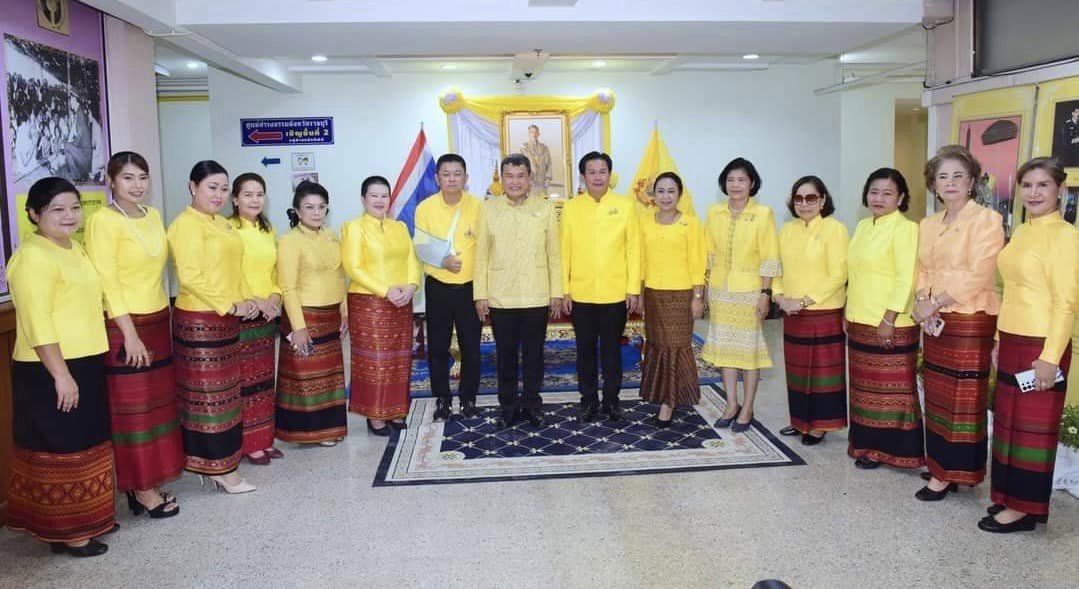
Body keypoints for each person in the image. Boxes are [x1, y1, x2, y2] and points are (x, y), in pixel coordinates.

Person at [6, 177, 115, 557]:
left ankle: (82, 521)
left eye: (74, 208)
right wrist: (61, 375)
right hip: (50, 367)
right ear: (34, 214)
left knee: (84, 442)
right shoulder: (32, 258)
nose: (69, 216)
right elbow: (39, 323)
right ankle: (70, 533)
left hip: (84, 359)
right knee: (61, 448)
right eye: (57, 209)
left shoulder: (74, 248)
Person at [981, 157, 1078, 533]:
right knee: (1007, 425)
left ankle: (1025, 508)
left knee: (1032, 432)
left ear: (1060, 191)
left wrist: (1050, 358)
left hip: (1042, 345)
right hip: (1012, 339)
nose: (1034, 193)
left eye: (1043, 185)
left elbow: (1066, 302)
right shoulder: (1022, 232)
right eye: (1027, 185)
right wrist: (998, 338)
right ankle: (1007, 496)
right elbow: (1011, 289)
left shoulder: (1066, 237)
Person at [85, 151, 182, 518]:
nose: (137, 185)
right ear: (111, 181)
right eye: (127, 178)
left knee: (158, 410)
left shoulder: (152, 215)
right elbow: (108, 281)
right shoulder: (102, 221)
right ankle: (140, 488)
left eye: (142, 177)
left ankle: (150, 480)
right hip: (125, 327)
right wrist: (129, 335)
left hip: (157, 318)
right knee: (135, 413)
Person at [912, 145, 1004, 501]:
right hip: (934, 318)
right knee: (936, 394)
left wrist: (934, 302)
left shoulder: (986, 220)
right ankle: (940, 464)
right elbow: (922, 268)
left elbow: (978, 274)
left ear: (971, 183)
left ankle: (956, 471)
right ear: (933, 184)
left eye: (958, 176)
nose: (949, 183)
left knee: (964, 398)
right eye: (942, 176)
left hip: (969, 317)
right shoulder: (929, 223)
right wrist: (922, 300)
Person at [168, 160, 257, 494]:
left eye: (223, 188)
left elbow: (234, 268)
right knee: (208, 397)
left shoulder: (221, 224)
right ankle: (217, 467)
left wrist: (244, 299)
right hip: (200, 320)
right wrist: (228, 304)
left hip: (226, 320)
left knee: (227, 395)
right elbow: (191, 276)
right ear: (193, 187)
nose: (219, 195)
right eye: (211, 187)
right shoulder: (185, 225)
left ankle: (225, 462)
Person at [474, 154, 562, 427]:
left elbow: (554, 255)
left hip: (536, 293)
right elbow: (481, 255)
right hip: (501, 296)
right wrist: (480, 294)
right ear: (501, 179)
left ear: (530, 179)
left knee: (535, 355)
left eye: (520, 176)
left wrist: (556, 292)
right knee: (506, 357)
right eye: (509, 176)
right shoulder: (488, 208)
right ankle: (508, 407)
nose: (515, 182)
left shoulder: (545, 208)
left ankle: (533, 405)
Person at [845, 168, 923, 470]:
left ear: (901, 197)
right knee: (864, 390)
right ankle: (866, 446)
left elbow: (906, 277)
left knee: (894, 391)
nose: (879, 198)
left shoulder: (905, 229)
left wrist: (889, 317)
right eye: (874, 191)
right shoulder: (863, 226)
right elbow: (854, 273)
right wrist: (847, 312)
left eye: (887, 193)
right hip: (859, 319)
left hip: (891, 321)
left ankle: (895, 451)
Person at [561, 151, 641, 422]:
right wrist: (565, 289)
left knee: (611, 350)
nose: (597, 176)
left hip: (615, 292)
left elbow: (634, 249)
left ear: (610, 175)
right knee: (584, 351)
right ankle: (588, 400)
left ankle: (611, 400)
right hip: (581, 293)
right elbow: (564, 251)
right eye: (592, 172)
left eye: (602, 171)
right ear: (583, 176)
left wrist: (633, 289)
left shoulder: (626, 206)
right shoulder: (572, 207)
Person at [702, 157, 780, 433]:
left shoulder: (763, 213)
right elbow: (708, 253)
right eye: (731, 179)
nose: (735, 185)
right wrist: (705, 288)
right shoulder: (714, 212)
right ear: (724, 183)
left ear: (752, 184)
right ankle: (731, 404)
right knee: (725, 351)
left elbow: (770, 255)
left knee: (748, 353)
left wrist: (765, 293)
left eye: (742, 180)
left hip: (749, 291)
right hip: (721, 290)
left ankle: (747, 407)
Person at [772, 176, 849, 446]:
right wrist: (779, 297)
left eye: (811, 198)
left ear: (823, 200)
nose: (804, 204)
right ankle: (800, 420)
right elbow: (777, 267)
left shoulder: (834, 229)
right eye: (799, 199)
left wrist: (804, 301)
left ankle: (819, 426)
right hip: (792, 312)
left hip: (822, 311)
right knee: (797, 371)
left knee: (821, 374)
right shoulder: (788, 229)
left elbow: (838, 274)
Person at [342, 175, 420, 435]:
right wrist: (386, 291)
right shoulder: (354, 227)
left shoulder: (399, 227)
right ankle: (374, 415)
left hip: (401, 302)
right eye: (373, 195)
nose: (379, 200)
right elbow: (353, 267)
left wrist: (410, 286)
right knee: (374, 361)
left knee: (399, 358)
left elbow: (412, 259)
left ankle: (396, 410)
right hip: (369, 302)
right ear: (363, 199)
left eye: (384, 196)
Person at [275, 181, 348, 446]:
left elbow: (340, 276)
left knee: (329, 377)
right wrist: (299, 327)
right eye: (309, 207)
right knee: (306, 379)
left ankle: (330, 428)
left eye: (321, 207)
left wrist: (344, 311)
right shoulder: (290, 241)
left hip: (330, 316)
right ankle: (309, 432)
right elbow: (287, 287)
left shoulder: (331, 236)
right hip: (305, 315)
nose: (316, 213)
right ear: (297, 210)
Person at [414, 154, 483, 421]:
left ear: (466, 178)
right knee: (439, 347)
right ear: (437, 178)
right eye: (446, 174)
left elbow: (485, 247)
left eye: (457, 173)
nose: (452, 178)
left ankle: (469, 399)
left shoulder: (478, 207)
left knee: (472, 347)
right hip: (439, 285)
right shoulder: (425, 208)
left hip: (470, 288)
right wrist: (443, 261)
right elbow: (421, 246)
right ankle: (442, 399)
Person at [638, 172, 705, 426]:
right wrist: (641, 292)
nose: (666, 196)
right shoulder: (645, 221)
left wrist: (698, 297)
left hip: (681, 295)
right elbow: (641, 260)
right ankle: (661, 393)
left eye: (671, 191)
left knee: (676, 346)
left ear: (680, 194)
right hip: (654, 293)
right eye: (661, 191)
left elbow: (698, 262)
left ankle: (671, 401)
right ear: (654, 195)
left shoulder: (691, 223)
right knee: (657, 344)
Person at [229, 173, 284, 465]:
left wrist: (275, 297)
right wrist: (256, 301)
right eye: (248, 194)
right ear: (235, 199)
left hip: (267, 315)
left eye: (259, 194)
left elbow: (274, 271)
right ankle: (249, 443)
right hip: (245, 314)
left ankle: (264, 438)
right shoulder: (228, 229)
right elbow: (231, 274)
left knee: (264, 381)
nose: (254, 199)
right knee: (246, 383)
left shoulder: (267, 229)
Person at [521, 124, 552, 197]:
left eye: (535, 132)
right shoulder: (524, 147)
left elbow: (549, 163)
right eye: (531, 132)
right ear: (528, 134)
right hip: (530, 182)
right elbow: (525, 162)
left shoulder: (544, 148)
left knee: (543, 202)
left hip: (542, 181)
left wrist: (548, 178)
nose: (534, 134)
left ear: (538, 134)